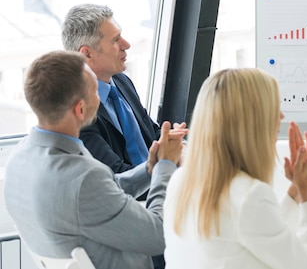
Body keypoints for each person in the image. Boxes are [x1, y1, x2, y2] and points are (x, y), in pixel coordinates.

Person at [4, 50, 185, 269]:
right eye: (95, 92)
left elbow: (107, 189)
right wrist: (166, 166)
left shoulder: (19, 158)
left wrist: (150, 168)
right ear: (80, 109)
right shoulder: (83, 177)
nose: (101, 97)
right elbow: (159, 236)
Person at [163, 68, 307, 269]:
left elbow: (265, 235)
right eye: (273, 108)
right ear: (253, 122)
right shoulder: (249, 196)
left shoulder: (181, 180)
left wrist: (296, 189)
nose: (280, 116)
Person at [62, 3, 184, 174]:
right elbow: (117, 175)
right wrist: (166, 166)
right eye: (115, 40)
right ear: (87, 54)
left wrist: (173, 141)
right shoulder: (79, 112)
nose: (126, 45)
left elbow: (150, 132)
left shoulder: (121, 82)